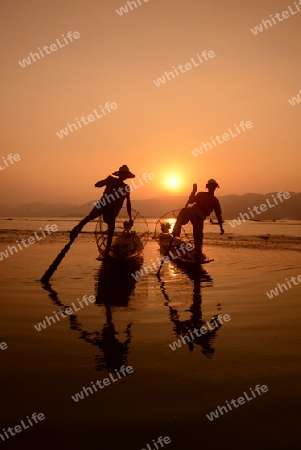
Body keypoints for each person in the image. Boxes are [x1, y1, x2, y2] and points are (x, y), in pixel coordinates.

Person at [69, 165, 135, 257]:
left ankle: (107, 251)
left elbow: (128, 203)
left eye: (125, 175)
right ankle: (75, 229)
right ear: (119, 174)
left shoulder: (126, 187)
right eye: (122, 174)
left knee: (111, 230)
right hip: (103, 204)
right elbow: (97, 184)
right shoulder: (111, 180)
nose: (124, 176)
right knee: (90, 217)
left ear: (127, 176)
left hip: (113, 210)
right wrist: (105, 181)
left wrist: (130, 217)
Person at [172, 179, 224, 261]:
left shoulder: (214, 200)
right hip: (194, 212)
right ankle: (175, 236)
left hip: (197, 214)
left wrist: (221, 227)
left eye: (213, 187)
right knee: (196, 235)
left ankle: (197, 254)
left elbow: (218, 215)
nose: (212, 188)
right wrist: (193, 191)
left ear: (215, 188)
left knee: (197, 235)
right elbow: (191, 200)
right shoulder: (202, 195)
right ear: (208, 187)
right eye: (212, 186)